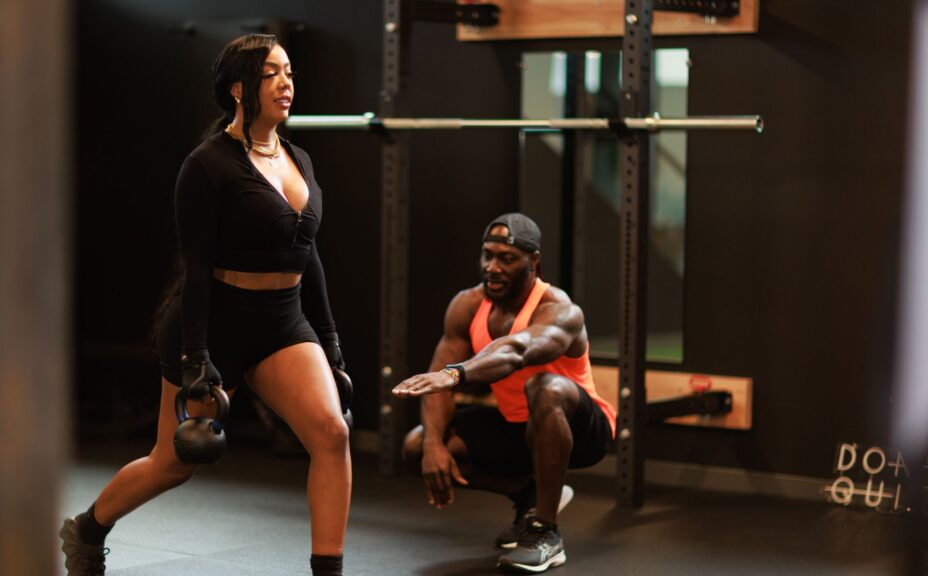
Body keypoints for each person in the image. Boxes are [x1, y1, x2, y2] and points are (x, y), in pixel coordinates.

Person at [59, 34, 352, 576]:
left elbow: (308, 256)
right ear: (239, 87)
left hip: (284, 321)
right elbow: (193, 268)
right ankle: (88, 527)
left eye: (289, 72)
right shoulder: (208, 164)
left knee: (333, 435)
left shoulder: (299, 158)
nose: (286, 84)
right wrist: (197, 357)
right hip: (215, 322)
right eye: (272, 74)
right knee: (172, 463)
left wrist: (330, 342)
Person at [392, 213, 616, 574]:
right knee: (416, 446)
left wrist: (455, 374)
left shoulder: (559, 310)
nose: (492, 268)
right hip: (519, 428)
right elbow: (438, 381)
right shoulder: (467, 305)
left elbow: (516, 351)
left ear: (534, 262)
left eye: (506, 259)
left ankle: (546, 533)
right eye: (487, 256)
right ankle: (528, 494)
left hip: (583, 432)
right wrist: (435, 442)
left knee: (544, 386)